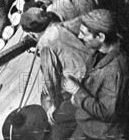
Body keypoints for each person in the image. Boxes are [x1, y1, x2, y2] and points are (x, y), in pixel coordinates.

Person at [20, 7, 94, 139]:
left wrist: (54, 106)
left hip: (83, 85)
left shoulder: (44, 44)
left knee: (53, 115)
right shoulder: (59, 26)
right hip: (93, 68)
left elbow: (51, 81)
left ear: (32, 33)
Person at [64, 9, 129, 140]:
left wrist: (77, 91)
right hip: (90, 121)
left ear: (100, 37)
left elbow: (107, 112)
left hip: (103, 131)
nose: (80, 37)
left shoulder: (116, 70)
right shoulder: (103, 51)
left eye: (83, 33)